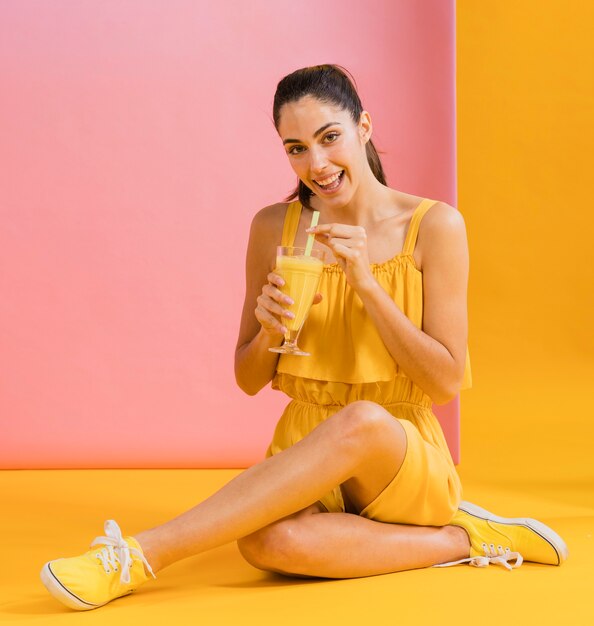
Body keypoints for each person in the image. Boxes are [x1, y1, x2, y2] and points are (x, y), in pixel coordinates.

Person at [40, 64, 568, 611]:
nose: (316, 164)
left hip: (398, 456)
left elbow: (445, 381)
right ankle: (466, 538)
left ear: (364, 127)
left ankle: (135, 557)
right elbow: (248, 379)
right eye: (295, 148)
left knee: (361, 419)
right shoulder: (275, 228)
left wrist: (366, 283)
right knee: (268, 541)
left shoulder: (434, 227)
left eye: (329, 137)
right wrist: (270, 331)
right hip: (304, 451)